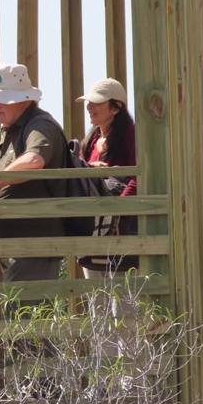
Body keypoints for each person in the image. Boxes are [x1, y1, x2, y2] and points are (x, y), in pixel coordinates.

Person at [0, 63, 68, 305]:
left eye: (1, 99)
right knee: (20, 315)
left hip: (33, 243)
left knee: (26, 317)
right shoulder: (13, 128)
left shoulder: (40, 125)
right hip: (17, 243)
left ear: (22, 100)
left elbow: (34, 160)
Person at [74, 78, 138, 279]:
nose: (89, 107)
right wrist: (89, 168)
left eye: (97, 102)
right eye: (89, 102)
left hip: (121, 229)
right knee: (95, 294)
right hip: (93, 227)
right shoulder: (90, 141)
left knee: (122, 293)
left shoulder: (131, 134)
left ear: (115, 108)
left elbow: (139, 176)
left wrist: (119, 210)